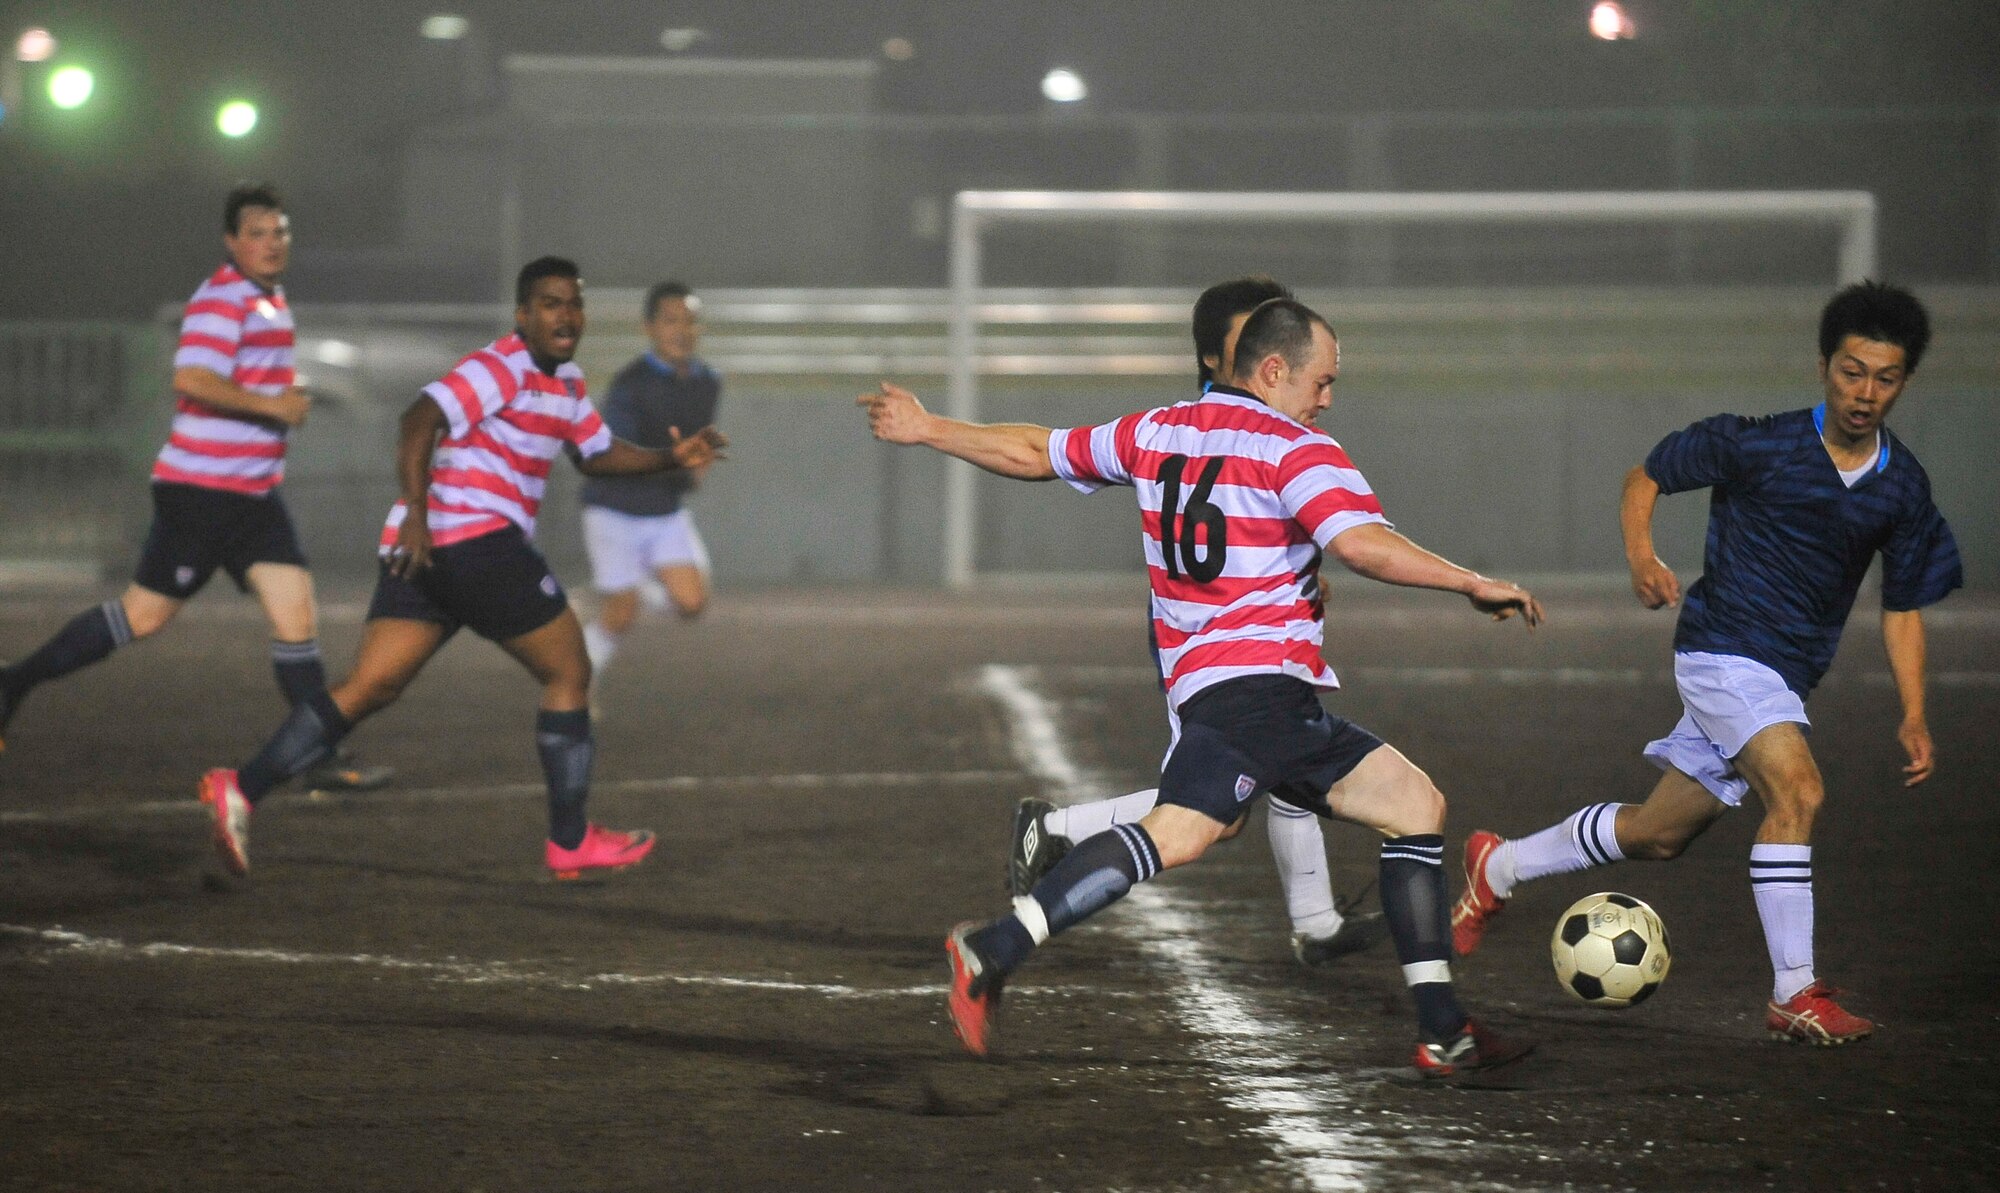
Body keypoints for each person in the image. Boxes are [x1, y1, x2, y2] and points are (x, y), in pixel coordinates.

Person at [861, 297, 1545, 1077]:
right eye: (1322, 380)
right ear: (1275, 368)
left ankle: (1443, 1027)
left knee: (1410, 803)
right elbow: (1363, 547)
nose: (1327, 398)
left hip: (1232, 692)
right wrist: (1471, 582)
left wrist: (930, 427)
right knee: (1180, 832)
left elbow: (1035, 450)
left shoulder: (1155, 430)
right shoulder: (1295, 447)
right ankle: (993, 946)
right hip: (1255, 691)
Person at [1451, 281, 1960, 1046]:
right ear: (1824, 365)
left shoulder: (1903, 486)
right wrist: (1642, 556)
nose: (1865, 392)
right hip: (1722, 649)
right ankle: (1795, 992)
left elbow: (1903, 605)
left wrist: (1915, 711)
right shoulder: (1757, 443)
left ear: (1905, 382)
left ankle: (1498, 867)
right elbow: (1645, 475)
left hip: (1782, 677)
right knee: (1800, 790)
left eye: (1884, 378)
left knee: (1659, 832)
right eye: (1852, 371)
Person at [197, 257, 726, 879]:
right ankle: (570, 839)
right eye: (550, 304)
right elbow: (418, 419)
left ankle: (243, 787)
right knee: (569, 671)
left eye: (573, 305)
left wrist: (671, 456)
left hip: (427, 552)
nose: (566, 316)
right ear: (523, 315)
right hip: (473, 542)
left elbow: (597, 453)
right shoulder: (499, 365)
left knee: (371, 686)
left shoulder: (566, 385)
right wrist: (420, 510)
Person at [1008, 276, 1388, 968]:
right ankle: (1058, 835)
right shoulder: (1177, 427)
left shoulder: (1264, 430)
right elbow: (1044, 453)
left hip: (1248, 641)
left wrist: (1294, 578)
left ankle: (1316, 920)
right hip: (1197, 636)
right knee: (1213, 806)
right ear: (1219, 359)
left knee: (1280, 753)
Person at [0, 182, 388, 792]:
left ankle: (314, 751)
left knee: (296, 613)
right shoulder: (221, 297)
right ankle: (12, 682)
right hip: (202, 492)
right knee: (143, 616)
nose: (270, 243)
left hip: (254, 495)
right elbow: (193, 378)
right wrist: (273, 406)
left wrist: (277, 407)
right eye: (256, 233)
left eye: (279, 231)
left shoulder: (269, 298)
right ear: (232, 242)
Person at [580, 282, 722, 685]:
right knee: (621, 614)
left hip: (662, 509)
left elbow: (696, 444)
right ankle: (576, 681)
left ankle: (632, 584)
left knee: (693, 603)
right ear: (649, 328)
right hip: (614, 510)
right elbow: (615, 456)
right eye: (670, 320)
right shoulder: (630, 385)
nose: (682, 330)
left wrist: (696, 466)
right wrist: (676, 460)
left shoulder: (708, 381)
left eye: (690, 321)